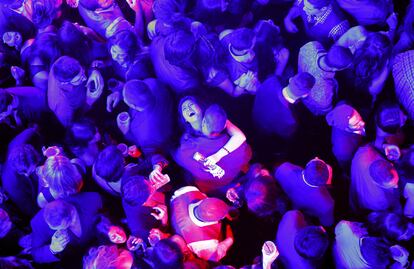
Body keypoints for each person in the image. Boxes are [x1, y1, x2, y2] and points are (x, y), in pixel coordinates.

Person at [174, 104, 252, 195]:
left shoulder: (188, 149)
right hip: (230, 184)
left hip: (209, 190)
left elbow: (175, 155)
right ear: (224, 126)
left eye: (191, 105)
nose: (189, 108)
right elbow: (248, 155)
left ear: (203, 122)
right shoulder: (242, 148)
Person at [117, 79, 175, 184]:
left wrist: (125, 132)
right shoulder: (154, 83)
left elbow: (149, 151)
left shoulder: (143, 131)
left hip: (166, 145)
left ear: (133, 107)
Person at [31, 193, 103, 267]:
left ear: (72, 212)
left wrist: (108, 227)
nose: (61, 230)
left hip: (102, 249)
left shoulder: (91, 200)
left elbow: (106, 216)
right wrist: (52, 249)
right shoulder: (38, 223)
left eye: (63, 226)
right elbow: (36, 255)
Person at [170, 186, 234, 262]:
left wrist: (219, 209)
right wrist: (230, 239)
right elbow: (215, 258)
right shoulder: (204, 246)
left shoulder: (188, 190)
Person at [252, 72, 315, 138]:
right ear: (305, 95)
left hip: (253, 116)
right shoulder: (291, 120)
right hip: (264, 135)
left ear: (290, 79)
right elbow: (285, 137)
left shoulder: (272, 80)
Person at [274, 157, 334, 226]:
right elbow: (327, 224)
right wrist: (328, 184)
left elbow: (275, 171)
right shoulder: (327, 204)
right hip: (304, 219)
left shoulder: (284, 169)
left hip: (289, 212)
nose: (316, 158)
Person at [47, 56, 104, 127]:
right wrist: (89, 102)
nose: (85, 78)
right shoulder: (62, 105)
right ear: (64, 83)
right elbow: (72, 126)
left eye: (83, 72)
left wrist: (93, 70)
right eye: (78, 80)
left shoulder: (62, 61)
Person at [298, 42, 352, 115]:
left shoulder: (311, 45)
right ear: (335, 69)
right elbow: (326, 111)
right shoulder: (324, 91)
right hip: (310, 107)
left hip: (299, 82)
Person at [1, 127, 40, 218]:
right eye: (33, 170)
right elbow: (31, 210)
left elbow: (33, 129)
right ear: (22, 172)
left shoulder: (25, 139)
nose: (36, 170)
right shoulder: (14, 186)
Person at [350, 145, 401, 213]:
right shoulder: (382, 201)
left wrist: (384, 146)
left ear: (390, 164)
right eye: (389, 185)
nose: (396, 186)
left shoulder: (364, 152)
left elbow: (372, 144)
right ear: (375, 182)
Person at [283, 0, 350, 45]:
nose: (304, 8)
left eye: (309, 8)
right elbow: (298, 6)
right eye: (304, 4)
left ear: (323, 9)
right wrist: (288, 19)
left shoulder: (338, 28)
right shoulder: (307, 2)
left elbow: (339, 51)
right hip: (306, 36)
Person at [325, 103, 365, 168]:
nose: (363, 123)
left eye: (358, 118)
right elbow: (345, 162)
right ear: (345, 128)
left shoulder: (344, 108)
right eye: (356, 124)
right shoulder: (342, 149)